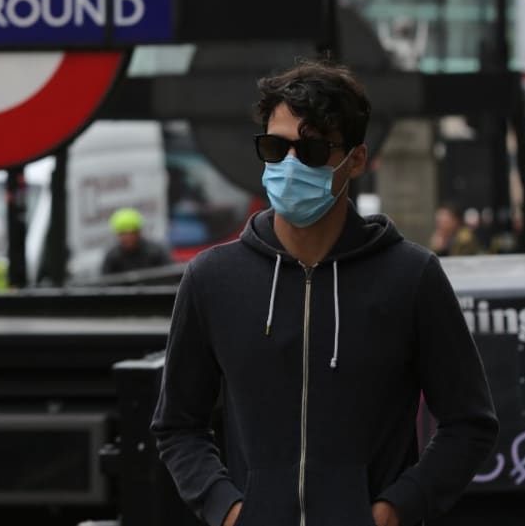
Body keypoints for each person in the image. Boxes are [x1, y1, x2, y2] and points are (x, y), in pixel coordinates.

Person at [152, 61, 498, 526]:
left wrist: (396, 509)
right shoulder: (213, 279)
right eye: (276, 147)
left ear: (355, 160)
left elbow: (470, 422)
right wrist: (230, 511)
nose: (290, 165)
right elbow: (178, 425)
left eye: (312, 149)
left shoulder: (411, 276)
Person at [100, 207, 171, 274]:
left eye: (131, 233)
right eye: (123, 234)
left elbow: (172, 275)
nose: (128, 238)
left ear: (138, 232)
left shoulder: (155, 252)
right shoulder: (112, 257)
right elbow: (104, 283)